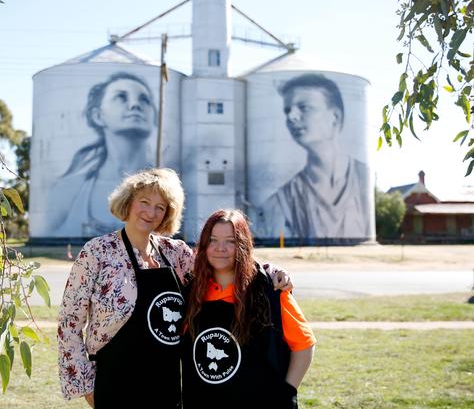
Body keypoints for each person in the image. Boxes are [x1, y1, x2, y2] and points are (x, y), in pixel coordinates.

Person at [57, 169, 292, 408]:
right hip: (116, 379)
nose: (151, 212)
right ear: (128, 202)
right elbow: (69, 322)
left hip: (166, 381)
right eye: (145, 202)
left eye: (161, 207)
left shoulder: (175, 253)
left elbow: (221, 260)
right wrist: (85, 385)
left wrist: (269, 271)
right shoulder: (97, 252)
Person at [181, 209, 315, 409]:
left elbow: (304, 345)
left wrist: (287, 392)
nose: (220, 248)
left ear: (242, 245)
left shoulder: (268, 290)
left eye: (230, 241)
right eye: (213, 240)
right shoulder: (190, 292)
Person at [258, 73, 372, 240]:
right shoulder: (280, 203)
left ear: (335, 116)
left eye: (304, 107)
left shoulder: (363, 179)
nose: (291, 116)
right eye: (287, 110)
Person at [44, 72, 157, 236]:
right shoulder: (67, 190)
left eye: (144, 100)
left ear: (153, 116)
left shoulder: (167, 191)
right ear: (98, 115)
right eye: (121, 97)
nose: (135, 105)